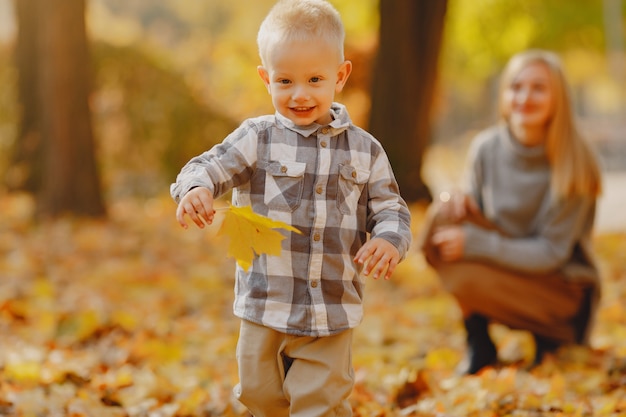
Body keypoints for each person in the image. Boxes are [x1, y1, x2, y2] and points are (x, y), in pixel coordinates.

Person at [170, 0, 412, 415]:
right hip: (265, 303)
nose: (300, 94)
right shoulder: (257, 138)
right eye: (285, 81)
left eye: (315, 79)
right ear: (266, 79)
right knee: (259, 397)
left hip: (331, 310)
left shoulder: (365, 150)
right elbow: (208, 166)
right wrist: (196, 188)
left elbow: (392, 209)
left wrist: (390, 240)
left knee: (319, 402)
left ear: (341, 75)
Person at [420, 49, 603, 375]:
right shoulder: (486, 148)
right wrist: (454, 197)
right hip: (508, 266)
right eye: (516, 87)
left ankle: (552, 335)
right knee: (441, 219)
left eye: (538, 88)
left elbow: (551, 253)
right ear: (504, 95)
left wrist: (475, 244)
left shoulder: (576, 161)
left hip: (561, 288)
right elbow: (471, 210)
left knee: (464, 262)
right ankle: (479, 342)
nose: (525, 97)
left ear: (558, 97)